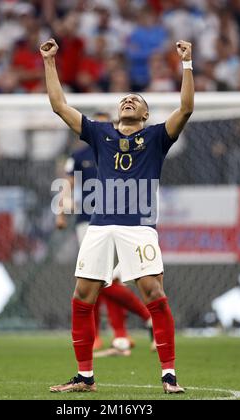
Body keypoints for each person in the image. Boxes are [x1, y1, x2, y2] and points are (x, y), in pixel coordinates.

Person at [40, 37, 194, 394]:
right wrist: (49, 62)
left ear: (145, 115)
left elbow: (185, 108)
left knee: (153, 292)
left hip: (138, 229)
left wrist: (187, 64)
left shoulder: (157, 137)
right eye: (124, 98)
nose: (128, 100)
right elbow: (59, 105)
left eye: (136, 100)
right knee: (82, 297)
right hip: (98, 227)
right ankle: (85, 378)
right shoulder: (99, 133)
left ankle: (169, 374)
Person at [56, 111, 155, 356]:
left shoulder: (124, 151)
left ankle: (133, 325)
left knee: (108, 280)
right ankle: (110, 334)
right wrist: (60, 210)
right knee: (97, 277)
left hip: (121, 220)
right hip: (88, 221)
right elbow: (67, 182)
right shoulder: (79, 155)